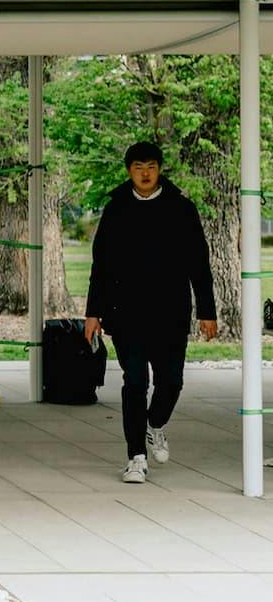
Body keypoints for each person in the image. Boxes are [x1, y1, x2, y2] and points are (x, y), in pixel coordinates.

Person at [84, 141, 217, 484]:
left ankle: (154, 424)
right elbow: (101, 266)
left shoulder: (181, 208)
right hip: (126, 313)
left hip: (170, 312)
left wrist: (207, 311)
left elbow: (199, 264)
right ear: (129, 171)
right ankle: (136, 457)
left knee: (171, 381)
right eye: (138, 167)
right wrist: (93, 313)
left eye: (151, 167)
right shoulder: (116, 209)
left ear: (159, 170)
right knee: (135, 382)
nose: (145, 173)